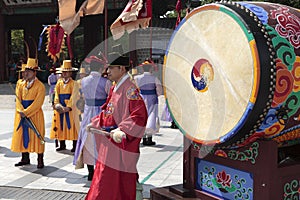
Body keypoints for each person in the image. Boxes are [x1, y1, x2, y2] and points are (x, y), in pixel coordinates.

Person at [85, 52, 148, 200]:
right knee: (103, 178)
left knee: (111, 181)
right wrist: (95, 122)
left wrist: (122, 130)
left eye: (111, 68)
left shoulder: (130, 89)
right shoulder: (115, 87)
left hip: (118, 142)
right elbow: (108, 110)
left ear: (121, 68)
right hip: (109, 140)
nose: (107, 72)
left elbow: (139, 116)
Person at [73, 59, 112, 181]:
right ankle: (101, 169)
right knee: (101, 141)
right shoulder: (106, 82)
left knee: (87, 139)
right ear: (101, 68)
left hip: (88, 111)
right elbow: (110, 98)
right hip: (101, 112)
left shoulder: (83, 81)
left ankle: (90, 171)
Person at [11, 58, 46, 169]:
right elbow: (18, 99)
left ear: (34, 72)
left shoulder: (40, 86)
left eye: (29, 71)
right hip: (21, 113)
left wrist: (26, 112)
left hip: (34, 114)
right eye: (25, 71)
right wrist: (21, 111)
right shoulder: (20, 84)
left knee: (37, 134)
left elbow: (38, 102)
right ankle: (24, 157)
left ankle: (40, 159)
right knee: (22, 134)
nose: (26, 73)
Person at [50, 60, 80, 152]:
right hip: (60, 107)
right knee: (59, 125)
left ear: (70, 72)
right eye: (63, 72)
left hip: (70, 108)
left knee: (73, 126)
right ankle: (62, 144)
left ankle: (75, 145)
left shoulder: (74, 83)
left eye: (67, 72)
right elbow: (56, 94)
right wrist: (57, 104)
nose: (65, 74)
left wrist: (68, 107)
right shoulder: (59, 82)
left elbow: (74, 96)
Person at [134, 58, 163, 146]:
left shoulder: (137, 78)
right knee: (151, 116)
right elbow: (159, 90)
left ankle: (143, 138)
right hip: (152, 98)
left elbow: (134, 89)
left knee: (142, 117)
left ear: (142, 69)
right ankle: (149, 138)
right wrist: (157, 95)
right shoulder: (154, 78)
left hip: (141, 97)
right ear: (151, 68)